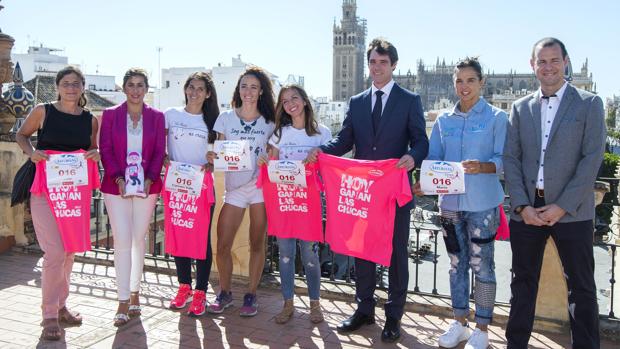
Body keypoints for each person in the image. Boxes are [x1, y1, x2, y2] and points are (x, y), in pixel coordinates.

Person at [307, 38, 428, 342]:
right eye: (373, 62)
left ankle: (394, 316)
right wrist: (321, 151)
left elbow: (421, 141)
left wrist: (413, 157)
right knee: (362, 251)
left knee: (397, 254)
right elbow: (345, 140)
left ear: (394, 65)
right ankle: (364, 310)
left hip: (393, 190)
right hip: (363, 192)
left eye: (383, 62)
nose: (377, 67)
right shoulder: (357, 101)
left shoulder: (409, 99)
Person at [503, 37, 605, 348]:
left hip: (572, 211)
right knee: (522, 284)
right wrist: (522, 206)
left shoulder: (589, 103)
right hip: (529, 210)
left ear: (566, 61)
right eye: (541, 61)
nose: (548, 67)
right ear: (532, 65)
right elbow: (511, 157)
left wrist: (562, 206)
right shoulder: (520, 108)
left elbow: (592, 159)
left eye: (554, 60)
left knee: (582, 287)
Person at [414, 57, 507, 349]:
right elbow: (433, 158)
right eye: (459, 80)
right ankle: (460, 323)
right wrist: (425, 181)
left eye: (470, 80)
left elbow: (505, 159)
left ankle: (482, 327)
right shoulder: (443, 120)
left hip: (482, 204)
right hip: (450, 204)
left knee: (483, 266)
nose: (464, 86)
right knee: (456, 264)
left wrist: (484, 167)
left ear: (482, 82)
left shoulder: (497, 117)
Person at [15, 65, 100, 341]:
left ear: (83, 87)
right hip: (44, 190)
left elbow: (92, 149)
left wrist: (95, 154)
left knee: (69, 251)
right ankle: (49, 314)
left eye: (76, 83)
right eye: (66, 83)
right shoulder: (43, 110)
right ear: (58, 86)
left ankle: (62, 306)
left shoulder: (90, 120)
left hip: (74, 194)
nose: (71, 88)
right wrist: (32, 153)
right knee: (54, 252)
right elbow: (21, 135)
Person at [257, 84, 332, 324]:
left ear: (305, 101)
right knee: (286, 255)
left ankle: (315, 305)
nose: (291, 103)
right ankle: (287, 303)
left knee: (310, 255)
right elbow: (272, 163)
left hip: (309, 205)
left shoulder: (323, 133)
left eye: (294, 98)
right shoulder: (280, 134)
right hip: (285, 203)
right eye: (285, 101)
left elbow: (331, 167)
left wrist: (318, 156)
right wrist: (264, 160)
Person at [206, 66, 275, 317]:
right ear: (238, 89)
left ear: (261, 92)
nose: (248, 91)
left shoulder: (270, 122)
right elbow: (219, 152)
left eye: (254, 87)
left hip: (259, 189)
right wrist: (213, 155)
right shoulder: (225, 118)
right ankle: (225, 293)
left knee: (257, 242)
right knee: (222, 243)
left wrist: (269, 159)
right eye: (244, 86)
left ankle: (252, 294)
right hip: (234, 189)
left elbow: (275, 153)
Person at [99, 68, 166, 326]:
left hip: (147, 187)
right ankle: (123, 300)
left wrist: (149, 178)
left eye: (140, 85)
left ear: (146, 89)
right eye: (131, 85)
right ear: (124, 88)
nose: (135, 90)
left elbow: (160, 150)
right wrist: (119, 178)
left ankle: (136, 292)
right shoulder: (110, 115)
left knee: (139, 239)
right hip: (116, 187)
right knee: (123, 239)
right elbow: (105, 148)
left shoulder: (157, 117)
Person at [165, 72, 219, 316]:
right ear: (185, 89)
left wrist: (212, 161)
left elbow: (221, 155)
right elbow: (158, 144)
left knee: (201, 241)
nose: (195, 92)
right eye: (191, 87)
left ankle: (200, 293)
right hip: (176, 185)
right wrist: (163, 157)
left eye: (200, 89)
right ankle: (184, 287)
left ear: (208, 93)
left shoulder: (214, 121)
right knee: (179, 235)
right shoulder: (171, 115)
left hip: (202, 187)